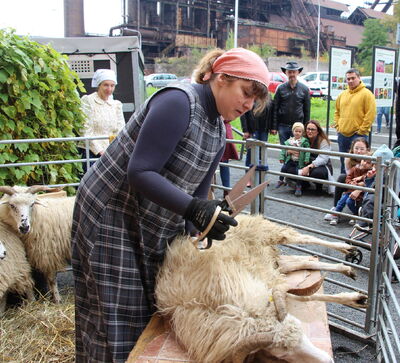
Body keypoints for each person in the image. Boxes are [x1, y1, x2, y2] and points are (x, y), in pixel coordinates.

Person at [71, 47, 270, 362]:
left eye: (255, 100)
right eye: (246, 93)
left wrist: (203, 225)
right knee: (113, 314)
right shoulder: (179, 101)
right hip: (111, 214)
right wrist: (194, 208)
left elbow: (197, 193)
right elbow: (140, 171)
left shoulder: (219, 130)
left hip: (146, 221)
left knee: (147, 310)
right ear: (220, 78)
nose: (248, 104)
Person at [79, 69, 125, 173]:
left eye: (112, 85)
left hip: (111, 151)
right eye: (106, 85)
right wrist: (100, 151)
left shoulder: (116, 104)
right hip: (92, 152)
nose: (109, 89)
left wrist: (115, 150)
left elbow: (121, 129)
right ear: (99, 85)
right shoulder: (88, 100)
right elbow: (85, 129)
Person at [333, 68, 376, 174]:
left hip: (358, 135)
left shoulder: (367, 94)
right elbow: (337, 112)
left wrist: (361, 131)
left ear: (359, 78)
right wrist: (338, 127)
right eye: (348, 79)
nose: (350, 81)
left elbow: (370, 114)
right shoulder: (342, 95)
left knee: (360, 164)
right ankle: (343, 184)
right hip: (343, 134)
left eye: (353, 78)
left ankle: (357, 186)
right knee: (344, 162)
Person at [325, 137, 370, 220]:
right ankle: (335, 207)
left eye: (362, 149)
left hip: (366, 184)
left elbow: (371, 178)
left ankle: (358, 212)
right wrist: (352, 184)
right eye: (356, 148)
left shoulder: (370, 160)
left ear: (367, 150)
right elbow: (349, 175)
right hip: (353, 182)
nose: (359, 151)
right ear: (352, 149)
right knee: (342, 177)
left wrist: (360, 186)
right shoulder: (348, 159)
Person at [272, 61, 310, 147]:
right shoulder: (280, 88)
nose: (292, 74)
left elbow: (307, 110)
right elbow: (275, 108)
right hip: (283, 125)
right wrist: (274, 127)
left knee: (296, 151)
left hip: (298, 126)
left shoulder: (304, 89)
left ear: (298, 72)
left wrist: (306, 127)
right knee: (284, 150)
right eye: (289, 72)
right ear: (285, 73)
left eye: (294, 72)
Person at [328, 156, 374, 225]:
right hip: (350, 190)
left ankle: (355, 215)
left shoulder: (369, 172)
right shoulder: (355, 168)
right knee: (342, 201)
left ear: (372, 165)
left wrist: (359, 182)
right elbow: (348, 178)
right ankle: (336, 214)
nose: (364, 163)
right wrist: (351, 183)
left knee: (350, 202)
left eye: (368, 163)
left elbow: (367, 180)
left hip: (360, 194)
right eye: (364, 160)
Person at [298, 120, 333, 194]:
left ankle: (319, 186)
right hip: (304, 163)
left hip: (321, 166)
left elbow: (323, 159)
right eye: (308, 129)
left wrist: (309, 167)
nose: (309, 131)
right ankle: (304, 184)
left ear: (318, 131)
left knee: (317, 173)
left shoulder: (323, 141)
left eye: (312, 129)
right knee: (289, 168)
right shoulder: (302, 139)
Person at [276, 122, 310, 196]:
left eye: (299, 131)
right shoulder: (289, 141)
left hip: (299, 161)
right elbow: (284, 150)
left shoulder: (304, 141)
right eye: (296, 131)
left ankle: (298, 187)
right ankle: (281, 180)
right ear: (293, 131)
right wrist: (282, 158)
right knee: (283, 168)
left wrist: (306, 159)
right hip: (290, 160)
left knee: (299, 173)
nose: (297, 133)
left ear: (302, 132)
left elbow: (307, 151)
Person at [240, 100, 275, 167]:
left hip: (264, 130)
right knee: (251, 152)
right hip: (252, 129)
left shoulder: (268, 97)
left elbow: (272, 113)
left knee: (262, 152)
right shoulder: (251, 96)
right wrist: (245, 130)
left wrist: (273, 127)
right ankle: (248, 173)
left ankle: (260, 173)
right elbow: (243, 114)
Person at [218, 119, 239, 196]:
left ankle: (226, 191)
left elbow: (231, 116)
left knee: (224, 163)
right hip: (213, 129)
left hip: (224, 131)